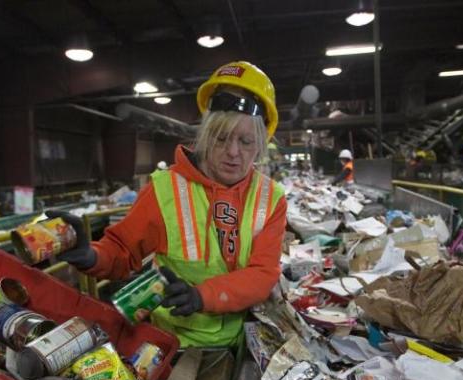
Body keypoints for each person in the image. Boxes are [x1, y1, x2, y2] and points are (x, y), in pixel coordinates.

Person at [48, 61, 286, 348]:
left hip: (244, 339)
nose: (233, 153)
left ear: (260, 144)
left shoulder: (270, 198)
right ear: (205, 135)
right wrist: (92, 255)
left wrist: (201, 295)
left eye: (246, 141)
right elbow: (122, 252)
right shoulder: (165, 189)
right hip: (173, 343)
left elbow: (263, 273)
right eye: (221, 138)